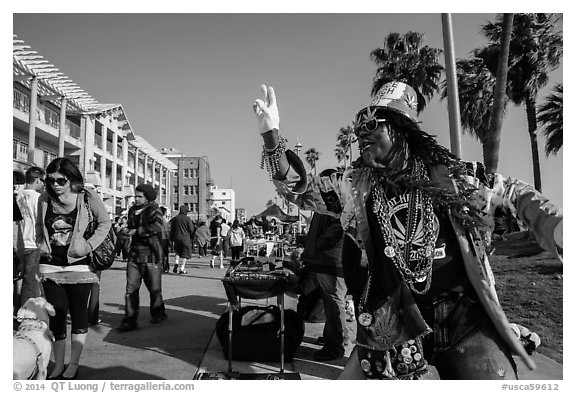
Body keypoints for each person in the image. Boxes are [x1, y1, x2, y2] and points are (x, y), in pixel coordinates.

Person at [252, 82, 563, 380]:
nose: (363, 133)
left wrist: (557, 227)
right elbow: (297, 189)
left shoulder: (455, 179)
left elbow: (513, 194)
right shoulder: (354, 186)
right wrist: (271, 135)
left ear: (401, 130)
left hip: (463, 321)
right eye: (360, 126)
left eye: (372, 124)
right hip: (393, 323)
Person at [36, 157, 111, 379]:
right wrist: (41, 243)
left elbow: (104, 223)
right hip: (50, 265)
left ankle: (74, 363)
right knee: (57, 315)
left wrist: (88, 246)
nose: (55, 185)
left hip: (80, 266)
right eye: (50, 180)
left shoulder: (87, 197)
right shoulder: (44, 197)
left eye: (60, 180)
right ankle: (58, 364)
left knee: (79, 314)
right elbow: (40, 224)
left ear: (71, 179)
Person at [298, 209, 350, 362]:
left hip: (332, 259)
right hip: (328, 258)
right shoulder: (326, 198)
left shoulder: (334, 195)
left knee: (334, 303)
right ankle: (339, 338)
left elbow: (340, 223)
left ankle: (335, 347)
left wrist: (319, 243)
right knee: (333, 303)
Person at [117, 184, 168, 332]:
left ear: (147, 197)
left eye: (140, 196)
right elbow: (130, 228)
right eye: (135, 196)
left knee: (154, 289)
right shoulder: (132, 210)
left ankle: (158, 313)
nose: (136, 199)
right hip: (134, 256)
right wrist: (125, 231)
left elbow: (157, 227)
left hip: (151, 255)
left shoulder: (154, 210)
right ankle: (129, 320)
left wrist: (136, 231)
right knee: (130, 289)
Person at [15, 166, 45, 309]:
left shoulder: (17, 195)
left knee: (18, 279)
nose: (44, 183)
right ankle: (25, 314)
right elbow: (41, 221)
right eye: (43, 180)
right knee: (30, 281)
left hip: (18, 243)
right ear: (37, 179)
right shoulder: (38, 198)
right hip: (33, 243)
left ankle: (17, 309)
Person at [170, 205, 195, 274]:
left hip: (176, 237)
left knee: (178, 251)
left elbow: (172, 229)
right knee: (185, 253)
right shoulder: (187, 219)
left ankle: (176, 263)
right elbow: (191, 229)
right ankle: (182, 268)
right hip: (185, 238)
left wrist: (171, 238)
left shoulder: (175, 218)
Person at [160, 206, 171, 273]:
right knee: (165, 254)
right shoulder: (163, 220)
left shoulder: (156, 219)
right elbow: (166, 231)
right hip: (163, 238)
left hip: (157, 238)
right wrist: (169, 239)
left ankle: (161, 266)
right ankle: (165, 267)